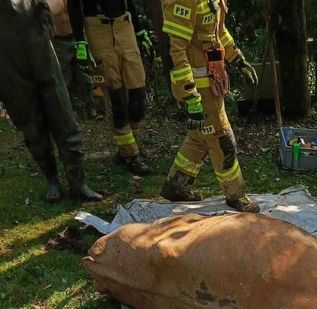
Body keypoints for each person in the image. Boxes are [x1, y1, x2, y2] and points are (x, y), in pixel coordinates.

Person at [160, 0, 260, 212]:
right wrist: (190, 95)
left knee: (199, 137)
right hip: (198, 87)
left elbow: (218, 31)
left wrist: (238, 59)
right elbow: (176, 51)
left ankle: (176, 186)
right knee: (222, 137)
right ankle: (235, 194)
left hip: (213, 79)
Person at [0, 0, 102, 203]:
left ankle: (78, 182)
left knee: (61, 110)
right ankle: (52, 180)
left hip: (36, 39)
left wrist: (44, 9)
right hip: (6, 55)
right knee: (30, 122)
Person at [67, 0, 155, 175]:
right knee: (116, 98)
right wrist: (79, 40)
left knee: (138, 98)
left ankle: (125, 148)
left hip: (124, 25)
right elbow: (74, 5)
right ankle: (131, 155)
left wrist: (139, 30)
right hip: (97, 28)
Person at [48, 0, 98, 119]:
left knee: (86, 74)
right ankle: (69, 111)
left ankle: (92, 106)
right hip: (58, 39)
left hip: (78, 37)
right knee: (64, 78)